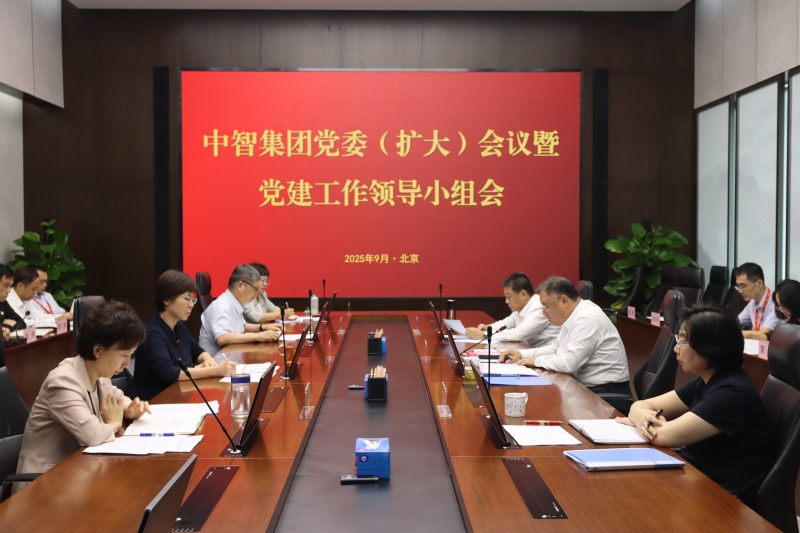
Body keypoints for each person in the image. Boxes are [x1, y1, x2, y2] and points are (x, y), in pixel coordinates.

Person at [617, 304, 772, 507]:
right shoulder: (706, 380)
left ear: (709, 349)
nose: (676, 349)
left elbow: (662, 436)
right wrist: (641, 416)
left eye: (682, 342)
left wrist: (643, 419)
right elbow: (643, 404)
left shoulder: (732, 393)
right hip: (696, 474)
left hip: (720, 496)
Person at [13, 301, 151, 493]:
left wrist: (129, 409)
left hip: (78, 475)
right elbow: (92, 435)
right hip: (43, 486)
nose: (128, 363)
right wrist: (114, 423)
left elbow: (117, 398)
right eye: (124, 355)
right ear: (98, 350)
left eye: (131, 355)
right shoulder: (63, 381)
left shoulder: (100, 374)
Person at [498, 276, 631, 412]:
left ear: (564, 301)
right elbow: (555, 348)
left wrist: (535, 361)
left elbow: (568, 364)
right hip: (587, 389)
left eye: (546, 306)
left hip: (607, 397)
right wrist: (521, 354)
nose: (544, 313)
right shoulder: (573, 316)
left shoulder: (587, 318)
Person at [133, 270, 238, 401]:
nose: (191, 305)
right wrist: (216, 371)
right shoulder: (153, 334)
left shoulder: (179, 326)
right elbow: (168, 372)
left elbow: (197, 351)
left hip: (178, 395)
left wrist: (208, 360)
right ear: (166, 300)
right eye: (187, 299)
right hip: (155, 402)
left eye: (193, 299)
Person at [199, 264, 282, 355]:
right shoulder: (222, 306)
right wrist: (259, 336)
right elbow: (222, 338)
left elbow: (242, 325)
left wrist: (263, 327)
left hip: (232, 356)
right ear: (240, 286)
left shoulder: (235, 302)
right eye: (255, 289)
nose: (256, 293)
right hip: (216, 361)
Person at [464, 272, 559, 347]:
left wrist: (484, 335)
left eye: (509, 297)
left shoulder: (539, 308)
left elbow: (517, 335)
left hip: (545, 356)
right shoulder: (521, 308)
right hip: (528, 352)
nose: (506, 301)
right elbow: (505, 324)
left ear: (523, 294)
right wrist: (487, 328)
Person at [734, 262, 782, 340]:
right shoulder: (753, 302)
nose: (740, 291)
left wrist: (732, 333)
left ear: (759, 283)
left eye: (743, 286)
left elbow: (762, 334)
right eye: (738, 286)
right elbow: (736, 322)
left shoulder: (777, 303)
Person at [0, 264, 26, 345]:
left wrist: (7, 327)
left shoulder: (2, 303)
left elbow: (21, 323)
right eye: (6, 285)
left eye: (10, 286)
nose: (9, 290)